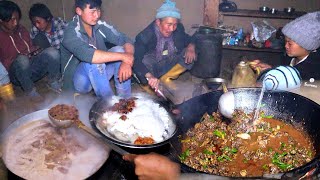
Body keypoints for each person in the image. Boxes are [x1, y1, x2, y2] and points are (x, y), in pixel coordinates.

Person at [60, 0, 134, 98]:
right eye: (92, 12)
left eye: (98, 10)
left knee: (120, 50)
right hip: (78, 83)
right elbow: (89, 55)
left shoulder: (99, 25)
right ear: (79, 11)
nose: (97, 15)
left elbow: (126, 39)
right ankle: (108, 104)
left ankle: (125, 100)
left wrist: (127, 60)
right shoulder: (70, 32)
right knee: (95, 61)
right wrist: (125, 57)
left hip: (98, 73)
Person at [0, 1, 61, 100]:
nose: (15, 23)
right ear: (1, 20)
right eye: (12, 20)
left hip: (31, 68)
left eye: (17, 19)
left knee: (52, 52)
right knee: (22, 60)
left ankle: (53, 81)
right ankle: (30, 91)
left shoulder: (21, 29)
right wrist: (21, 57)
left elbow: (30, 48)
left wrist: (35, 51)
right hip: (17, 76)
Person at [133, 0, 196, 93]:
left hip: (168, 63)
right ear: (158, 22)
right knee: (144, 61)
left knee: (192, 52)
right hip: (152, 69)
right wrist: (149, 76)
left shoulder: (178, 29)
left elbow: (189, 39)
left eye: (174, 24)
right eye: (169, 24)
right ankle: (148, 86)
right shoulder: (145, 36)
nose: (172, 29)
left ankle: (166, 79)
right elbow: (136, 61)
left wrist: (191, 47)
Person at [251, 11, 320, 81]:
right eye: (285, 41)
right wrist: (271, 70)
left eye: (290, 43)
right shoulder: (289, 58)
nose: (286, 46)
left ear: (306, 45)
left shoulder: (313, 70)